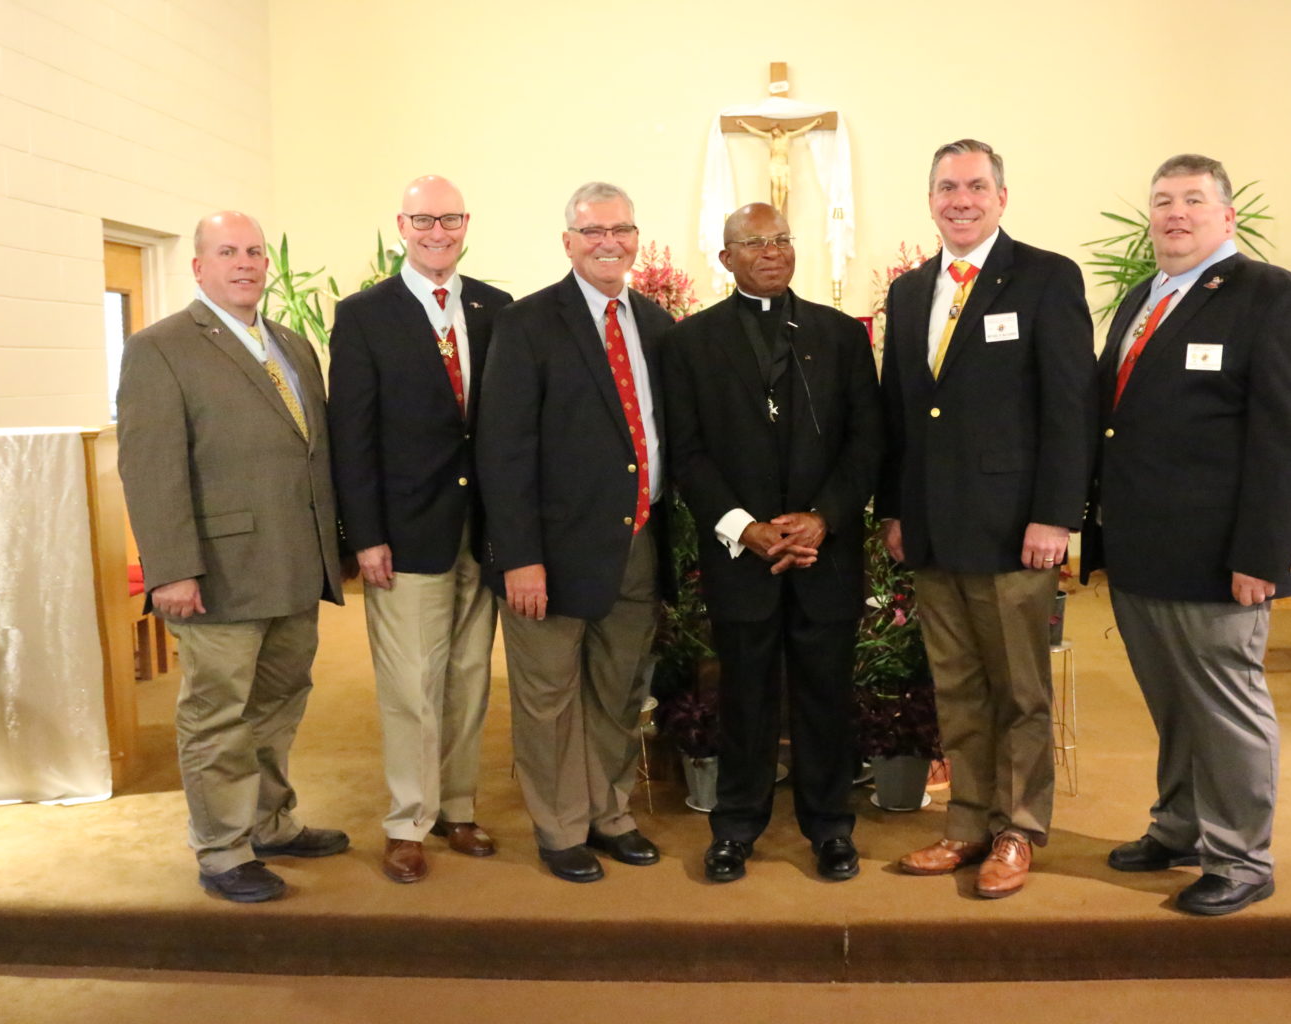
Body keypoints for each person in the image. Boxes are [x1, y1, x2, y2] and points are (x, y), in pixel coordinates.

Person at [1080, 154, 1291, 916]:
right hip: (1141, 552)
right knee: (1174, 706)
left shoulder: (1274, 298)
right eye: (1163, 201)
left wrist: (1263, 552)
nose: (1175, 213)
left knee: (1225, 707)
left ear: (1227, 216)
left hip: (1221, 560)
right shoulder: (1141, 299)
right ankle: (1181, 826)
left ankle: (1242, 858)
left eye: (1194, 200)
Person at [877, 139, 1096, 898]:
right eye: (946, 187)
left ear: (1002, 197)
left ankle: (1018, 828)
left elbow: (1070, 409)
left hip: (1014, 533)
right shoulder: (908, 293)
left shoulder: (1045, 279)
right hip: (934, 531)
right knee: (958, 689)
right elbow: (901, 417)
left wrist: (1055, 516)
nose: (960, 200)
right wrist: (896, 511)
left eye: (974, 186)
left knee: (1020, 692)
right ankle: (967, 822)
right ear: (930, 199)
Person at [117, 211, 348, 903]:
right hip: (216, 572)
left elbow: (314, 454)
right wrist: (171, 569)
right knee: (218, 713)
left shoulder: (291, 343)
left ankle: (269, 822)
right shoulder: (160, 348)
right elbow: (150, 467)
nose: (244, 263)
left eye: (253, 252)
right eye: (227, 252)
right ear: (198, 267)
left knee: (279, 704)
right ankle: (221, 851)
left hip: (293, 565)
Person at [664, 202, 882, 883]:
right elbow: (687, 452)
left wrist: (822, 518)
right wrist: (744, 528)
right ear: (724, 257)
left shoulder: (840, 335)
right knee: (745, 697)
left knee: (825, 694)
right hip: (741, 555)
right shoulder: (690, 342)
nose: (773, 251)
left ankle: (829, 827)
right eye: (754, 242)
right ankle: (736, 826)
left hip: (825, 552)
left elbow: (867, 441)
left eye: (783, 238)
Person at [477, 182, 675, 883]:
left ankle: (609, 812)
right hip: (552, 555)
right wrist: (520, 559)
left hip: (638, 543)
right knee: (550, 697)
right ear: (568, 242)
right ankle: (560, 827)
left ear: (636, 238)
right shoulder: (528, 323)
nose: (608, 242)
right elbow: (501, 452)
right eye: (592, 231)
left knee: (618, 692)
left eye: (621, 229)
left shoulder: (655, 323)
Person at [328, 175, 513, 884]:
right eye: (424, 219)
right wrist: (365, 534)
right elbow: (353, 435)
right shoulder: (366, 315)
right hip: (404, 534)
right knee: (411, 684)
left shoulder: (496, 308)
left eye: (451, 218)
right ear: (401, 225)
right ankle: (408, 820)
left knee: (469, 677)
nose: (438, 231)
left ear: (467, 224)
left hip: (483, 529)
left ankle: (458, 807)